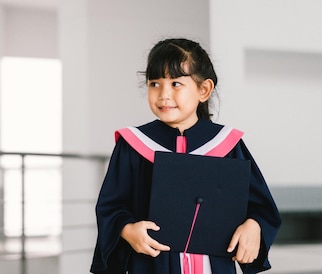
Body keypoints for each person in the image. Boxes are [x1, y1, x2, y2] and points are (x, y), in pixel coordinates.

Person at [89, 38, 281, 274]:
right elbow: (111, 206)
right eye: (155, 84)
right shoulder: (133, 145)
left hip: (214, 266)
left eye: (176, 83)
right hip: (152, 265)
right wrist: (128, 230)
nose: (163, 95)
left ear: (203, 90)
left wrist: (254, 226)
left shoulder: (227, 145)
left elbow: (261, 207)